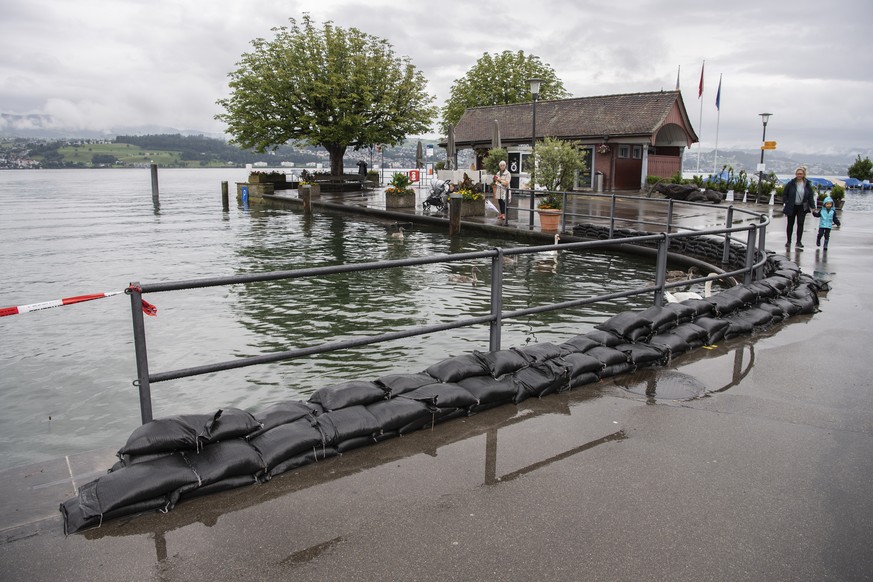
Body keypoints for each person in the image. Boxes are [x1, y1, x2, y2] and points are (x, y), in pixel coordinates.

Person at [781, 166, 817, 249]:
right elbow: (784, 194)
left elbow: (810, 196)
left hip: (802, 207)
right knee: (790, 224)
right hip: (792, 206)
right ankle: (789, 241)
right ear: (795, 174)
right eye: (798, 173)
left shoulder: (807, 184)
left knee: (800, 224)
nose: (799, 175)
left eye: (801, 174)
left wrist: (813, 207)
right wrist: (786, 202)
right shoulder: (791, 183)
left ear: (804, 174)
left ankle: (798, 241)